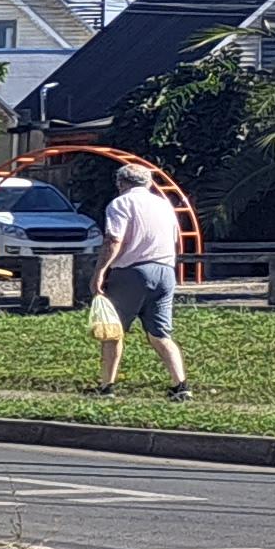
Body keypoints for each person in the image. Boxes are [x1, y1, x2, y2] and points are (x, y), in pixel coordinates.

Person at [90, 166, 190, 399]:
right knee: (160, 333)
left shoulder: (120, 204)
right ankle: (181, 385)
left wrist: (100, 272)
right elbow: (174, 237)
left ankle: (107, 387)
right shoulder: (164, 204)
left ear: (121, 183)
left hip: (131, 272)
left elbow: (114, 239)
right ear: (148, 183)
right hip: (165, 271)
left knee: (114, 332)